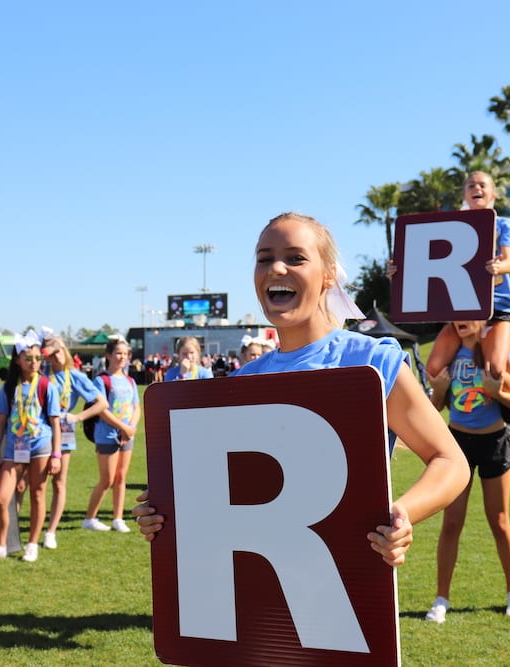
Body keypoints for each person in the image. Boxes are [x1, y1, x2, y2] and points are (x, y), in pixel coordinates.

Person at [133, 211, 470, 570]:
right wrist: (168, 510)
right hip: (253, 582)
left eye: (295, 258)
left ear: (327, 276)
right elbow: (234, 488)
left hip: (345, 582)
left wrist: (402, 513)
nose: (276, 269)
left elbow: (450, 462)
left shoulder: (370, 362)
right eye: (265, 259)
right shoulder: (241, 381)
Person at [425, 320, 510, 622]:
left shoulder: (499, 353)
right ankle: (441, 599)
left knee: (499, 521)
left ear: (484, 318)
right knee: (451, 523)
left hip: (494, 442)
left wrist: (498, 393)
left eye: (470, 313)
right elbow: (432, 412)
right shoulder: (448, 354)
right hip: (456, 443)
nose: (462, 320)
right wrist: (439, 391)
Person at [417, 172, 510, 388]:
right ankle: (459, 397)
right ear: (464, 194)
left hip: (497, 309)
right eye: (471, 185)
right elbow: (428, 267)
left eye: (483, 185)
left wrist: (497, 267)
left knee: (495, 370)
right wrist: (399, 271)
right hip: (464, 309)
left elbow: (509, 262)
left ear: (493, 194)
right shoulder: (452, 227)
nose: (477, 189)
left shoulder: (503, 225)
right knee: (432, 371)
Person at [0, 331, 62, 564]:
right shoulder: (8, 387)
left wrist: (56, 454)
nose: (34, 363)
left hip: (40, 446)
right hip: (13, 448)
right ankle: (1, 544)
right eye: (28, 358)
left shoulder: (47, 385)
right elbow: (1, 422)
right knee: (1, 498)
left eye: (37, 358)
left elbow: (55, 423)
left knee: (37, 494)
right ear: (17, 360)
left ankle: (32, 543)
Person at [39, 333, 108, 549]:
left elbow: (101, 403)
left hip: (64, 435)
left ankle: (50, 531)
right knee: (35, 484)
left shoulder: (75, 376)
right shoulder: (41, 374)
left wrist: (77, 417)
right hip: (39, 432)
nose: (57, 357)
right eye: (52, 354)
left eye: (59, 351)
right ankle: (32, 529)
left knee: (59, 482)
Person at [83, 336, 140, 533]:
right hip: (107, 435)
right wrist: (122, 427)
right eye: (118, 353)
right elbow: (101, 409)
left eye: (125, 354)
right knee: (106, 479)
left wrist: (131, 426)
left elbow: (136, 407)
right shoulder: (101, 380)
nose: (122, 357)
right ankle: (90, 518)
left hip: (127, 435)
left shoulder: (130, 381)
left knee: (121, 477)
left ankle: (118, 518)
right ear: (108, 355)